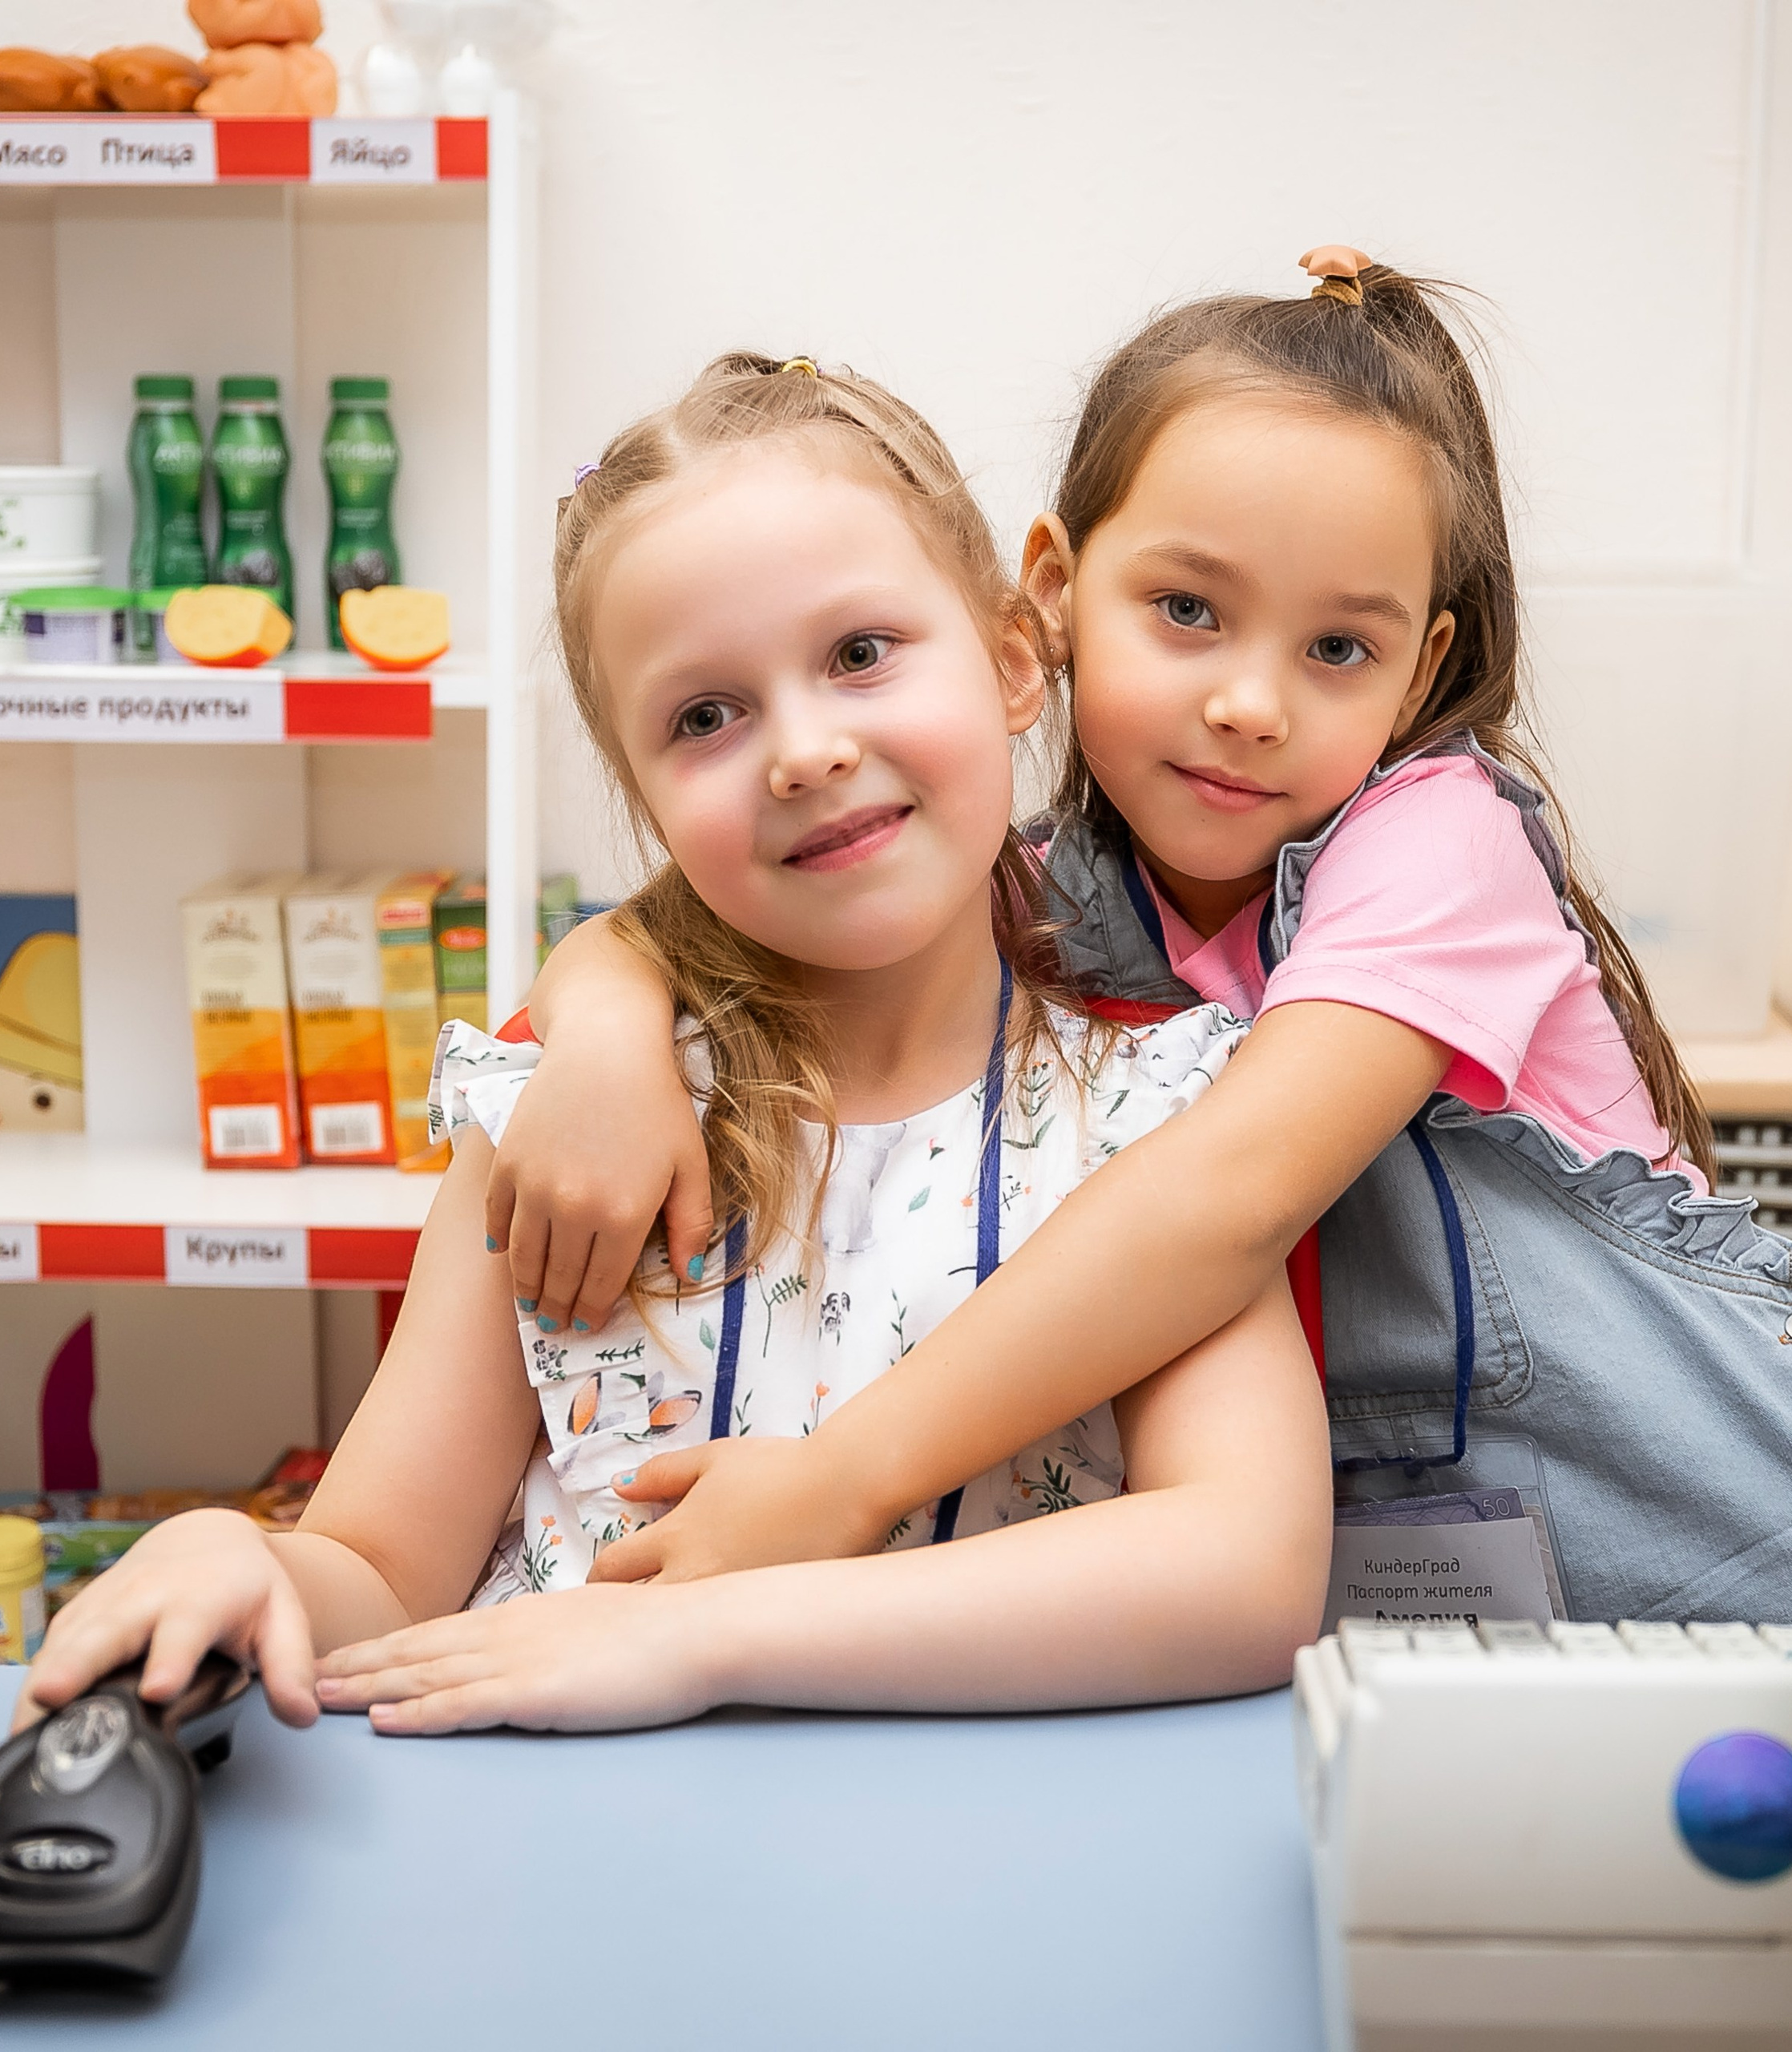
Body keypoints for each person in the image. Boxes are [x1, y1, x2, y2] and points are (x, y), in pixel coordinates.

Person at [493, 249, 1792, 1627]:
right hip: (1410, 1621)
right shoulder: (1051, 893)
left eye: (1338, 650)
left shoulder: (1437, 842)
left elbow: (1224, 1201)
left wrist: (845, 1483)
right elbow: (720, 910)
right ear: (1047, 596)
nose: (1249, 703)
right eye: (1187, 611)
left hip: (1751, 1573)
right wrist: (608, 1024)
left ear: (1423, 667)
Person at [13, 354, 1330, 1739]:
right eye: (705, 717)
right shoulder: (558, 1136)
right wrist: (238, 1555)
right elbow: (379, 1573)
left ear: (1013, 660)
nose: (805, 750)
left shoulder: (1167, 1123)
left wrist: (700, 1639)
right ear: (642, 795)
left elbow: (1246, 1568)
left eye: (860, 654)